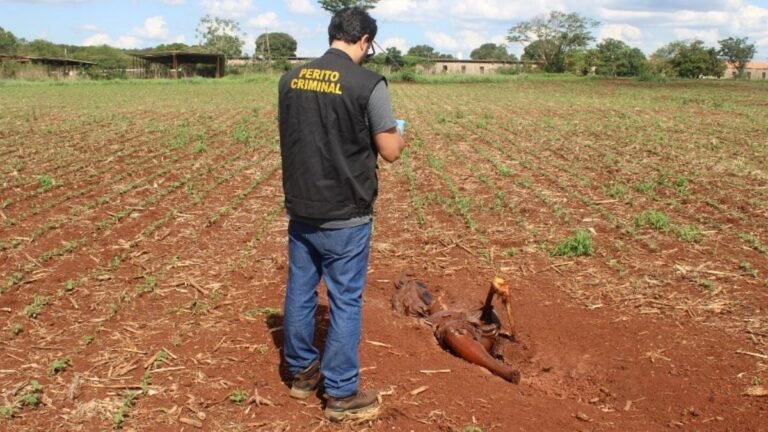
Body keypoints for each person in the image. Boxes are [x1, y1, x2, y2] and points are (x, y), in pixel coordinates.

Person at [277, 6, 406, 422]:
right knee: (345, 300)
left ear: (333, 33)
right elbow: (389, 152)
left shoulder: (290, 80)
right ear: (365, 40)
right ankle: (341, 392)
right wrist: (398, 132)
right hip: (346, 213)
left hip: (302, 208)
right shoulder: (368, 84)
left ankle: (301, 374)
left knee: (300, 291)